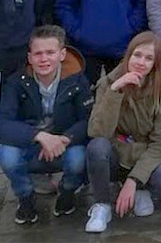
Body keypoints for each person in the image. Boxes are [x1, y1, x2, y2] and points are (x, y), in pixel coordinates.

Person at [85, 32, 161, 233]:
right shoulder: (108, 83)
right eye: (137, 55)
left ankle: (141, 189)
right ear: (128, 56)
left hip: (143, 155)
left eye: (149, 58)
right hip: (115, 152)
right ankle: (101, 204)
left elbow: (159, 143)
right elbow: (97, 131)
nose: (141, 62)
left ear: (156, 63)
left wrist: (134, 180)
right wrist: (115, 91)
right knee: (97, 147)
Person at [0, 25, 92, 225]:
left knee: (79, 158)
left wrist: (63, 139)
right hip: (31, 144)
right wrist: (39, 136)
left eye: (50, 52)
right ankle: (25, 198)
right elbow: (3, 122)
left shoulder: (77, 80)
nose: (44, 59)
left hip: (64, 142)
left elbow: (88, 120)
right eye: (38, 53)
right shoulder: (15, 82)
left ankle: (67, 192)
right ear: (30, 57)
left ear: (62, 54)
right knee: (6, 155)